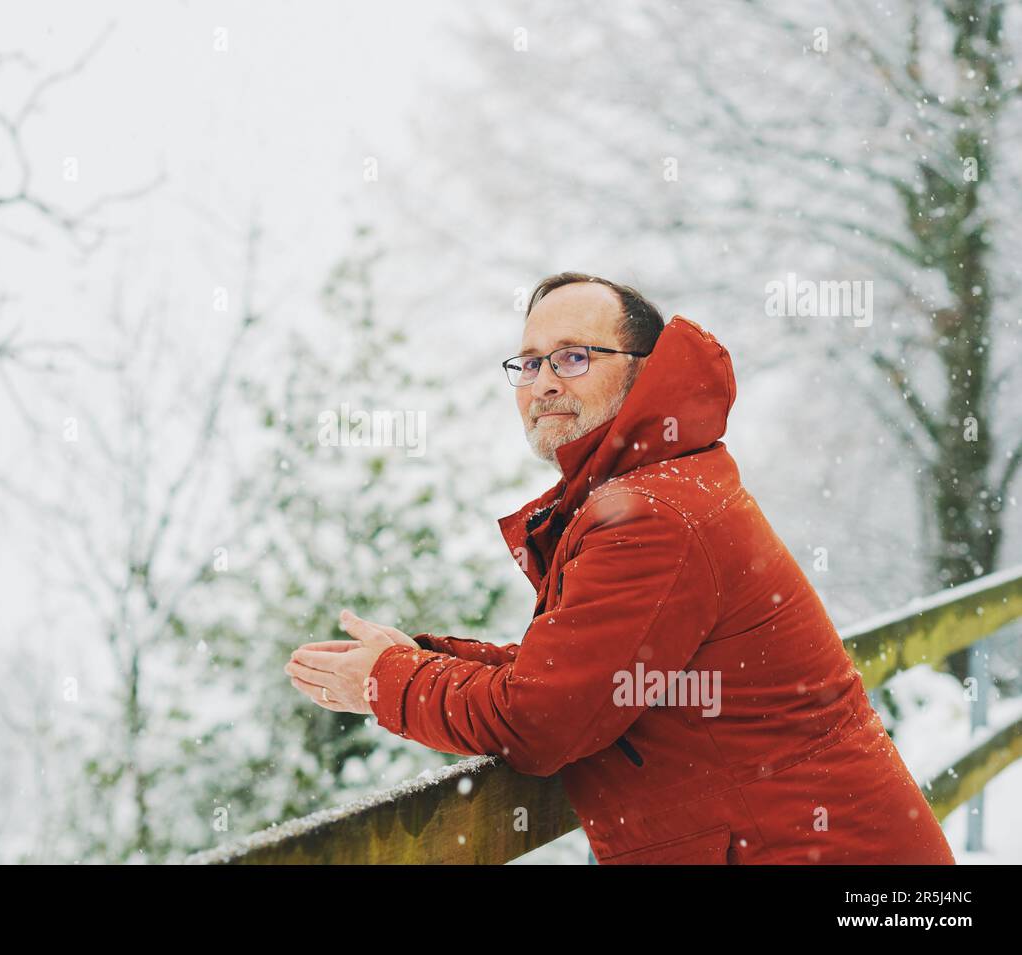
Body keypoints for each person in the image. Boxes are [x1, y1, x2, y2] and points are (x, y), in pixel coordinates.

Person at [285, 272, 955, 864]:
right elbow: (578, 675)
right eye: (528, 362)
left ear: (641, 368)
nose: (544, 380)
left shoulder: (653, 515)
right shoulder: (657, 486)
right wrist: (423, 657)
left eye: (574, 357)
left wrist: (390, 682)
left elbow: (542, 719)